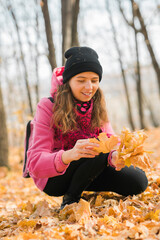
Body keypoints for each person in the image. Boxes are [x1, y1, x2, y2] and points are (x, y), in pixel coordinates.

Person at [25, 46, 148, 209]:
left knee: (138, 181)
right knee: (96, 149)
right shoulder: (48, 106)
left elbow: (110, 140)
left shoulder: (97, 103)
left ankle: (83, 184)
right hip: (54, 177)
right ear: (68, 81)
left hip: (91, 166)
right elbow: (34, 164)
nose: (89, 87)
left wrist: (115, 156)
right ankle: (71, 198)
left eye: (94, 80)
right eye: (81, 80)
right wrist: (68, 155)